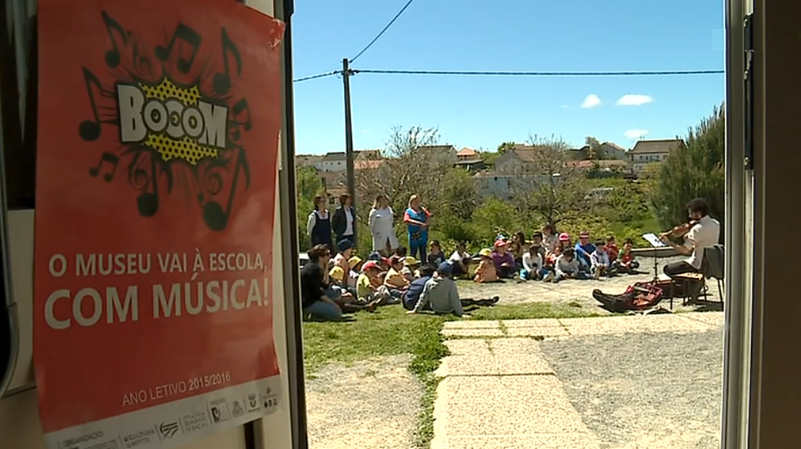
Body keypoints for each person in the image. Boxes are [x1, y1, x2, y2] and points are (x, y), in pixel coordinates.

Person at [660, 198, 721, 301]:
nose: (689, 216)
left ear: (698, 213)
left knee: (668, 269)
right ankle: (693, 286)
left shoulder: (696, 229)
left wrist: (669, 243)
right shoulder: (716, 223)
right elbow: (703, 237)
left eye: (691, 213)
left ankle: (690, 288)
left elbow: (685, 250)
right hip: (712, 263)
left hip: (697, 265)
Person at [300, 244, 343, 321]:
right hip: (308, 302)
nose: (330, 256)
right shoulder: (313, 270)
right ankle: (314, 314)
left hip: (314, 297)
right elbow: (318, 293)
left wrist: (326, 267)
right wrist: (334, 304)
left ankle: (320, 313)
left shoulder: (318, 268)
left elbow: (325, 285)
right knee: (337, 314)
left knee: (336, 291)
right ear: (320, 257)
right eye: (327, 254)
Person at [404, 194, 431, 261]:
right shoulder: (408, 211)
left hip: (423, 234)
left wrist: (425, 224)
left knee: (423, 251)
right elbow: (406, 220)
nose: (416, 203)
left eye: (417, 201)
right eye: (414, 201)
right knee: (413, 252)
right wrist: (419, 224)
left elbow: (429, 216)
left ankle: (424, 266)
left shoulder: (422, 210)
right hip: (414, 234)